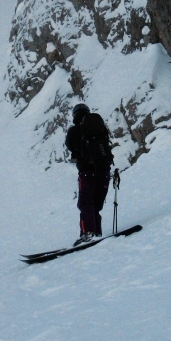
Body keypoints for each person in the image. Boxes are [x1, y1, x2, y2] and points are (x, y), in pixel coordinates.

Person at [65, 103, 114, 246]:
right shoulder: (99, 128)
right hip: (104, 171)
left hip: (87, 172)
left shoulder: (75, 130)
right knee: (96, 205)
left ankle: (88, 233)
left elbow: (69, 145)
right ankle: (96, 233)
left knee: (86, 203)